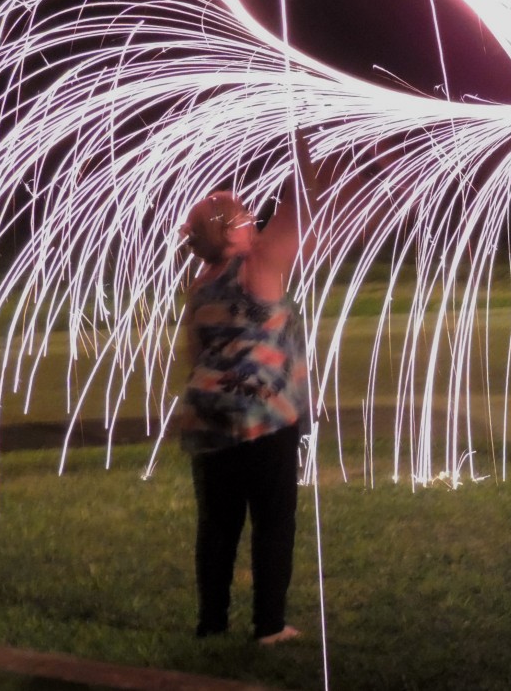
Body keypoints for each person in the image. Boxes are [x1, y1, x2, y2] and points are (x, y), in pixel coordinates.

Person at [176, 133, 321, 645]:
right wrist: (301, 143)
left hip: (207, 415)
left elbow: (194, 354)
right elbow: (303, 204)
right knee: (273, 521)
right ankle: (270, 626)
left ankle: (212, 623)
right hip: (261, 416)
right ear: (232, 231)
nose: (252, 215)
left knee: (217, 525)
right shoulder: (258, 266)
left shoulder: (200, 283)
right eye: (241, 213)